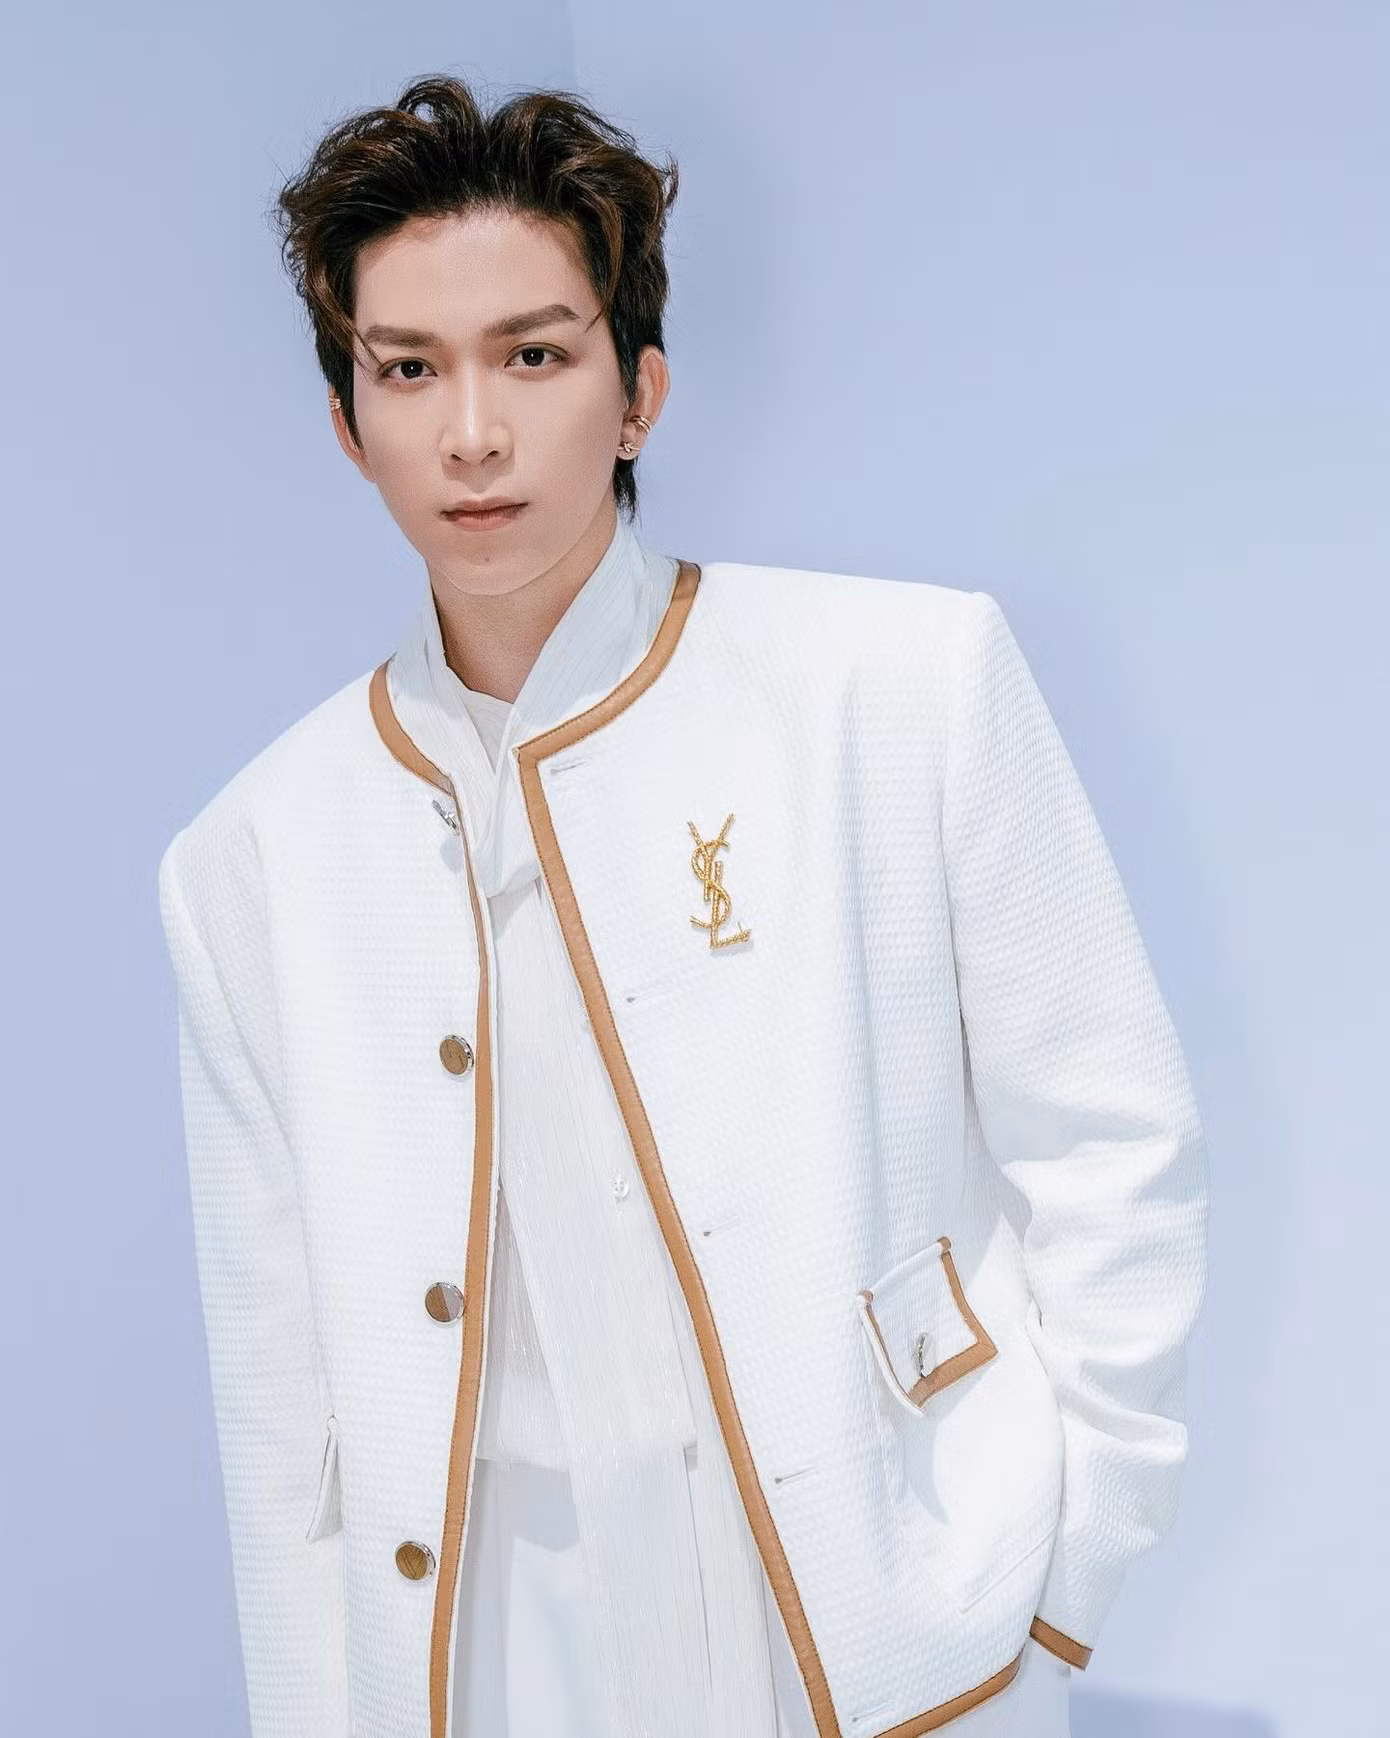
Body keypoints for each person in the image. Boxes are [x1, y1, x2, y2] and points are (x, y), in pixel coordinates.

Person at [156, 71, 1209, 1738]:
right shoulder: (252, 862)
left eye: (534, 355)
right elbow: (282, 1408)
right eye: (407, 369)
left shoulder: (897, 686)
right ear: (347, 424)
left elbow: (1114, 1147)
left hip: (858, 1611)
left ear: (638, 391)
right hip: (496, 1648)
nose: (471, 432)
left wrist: (1067, 1587)